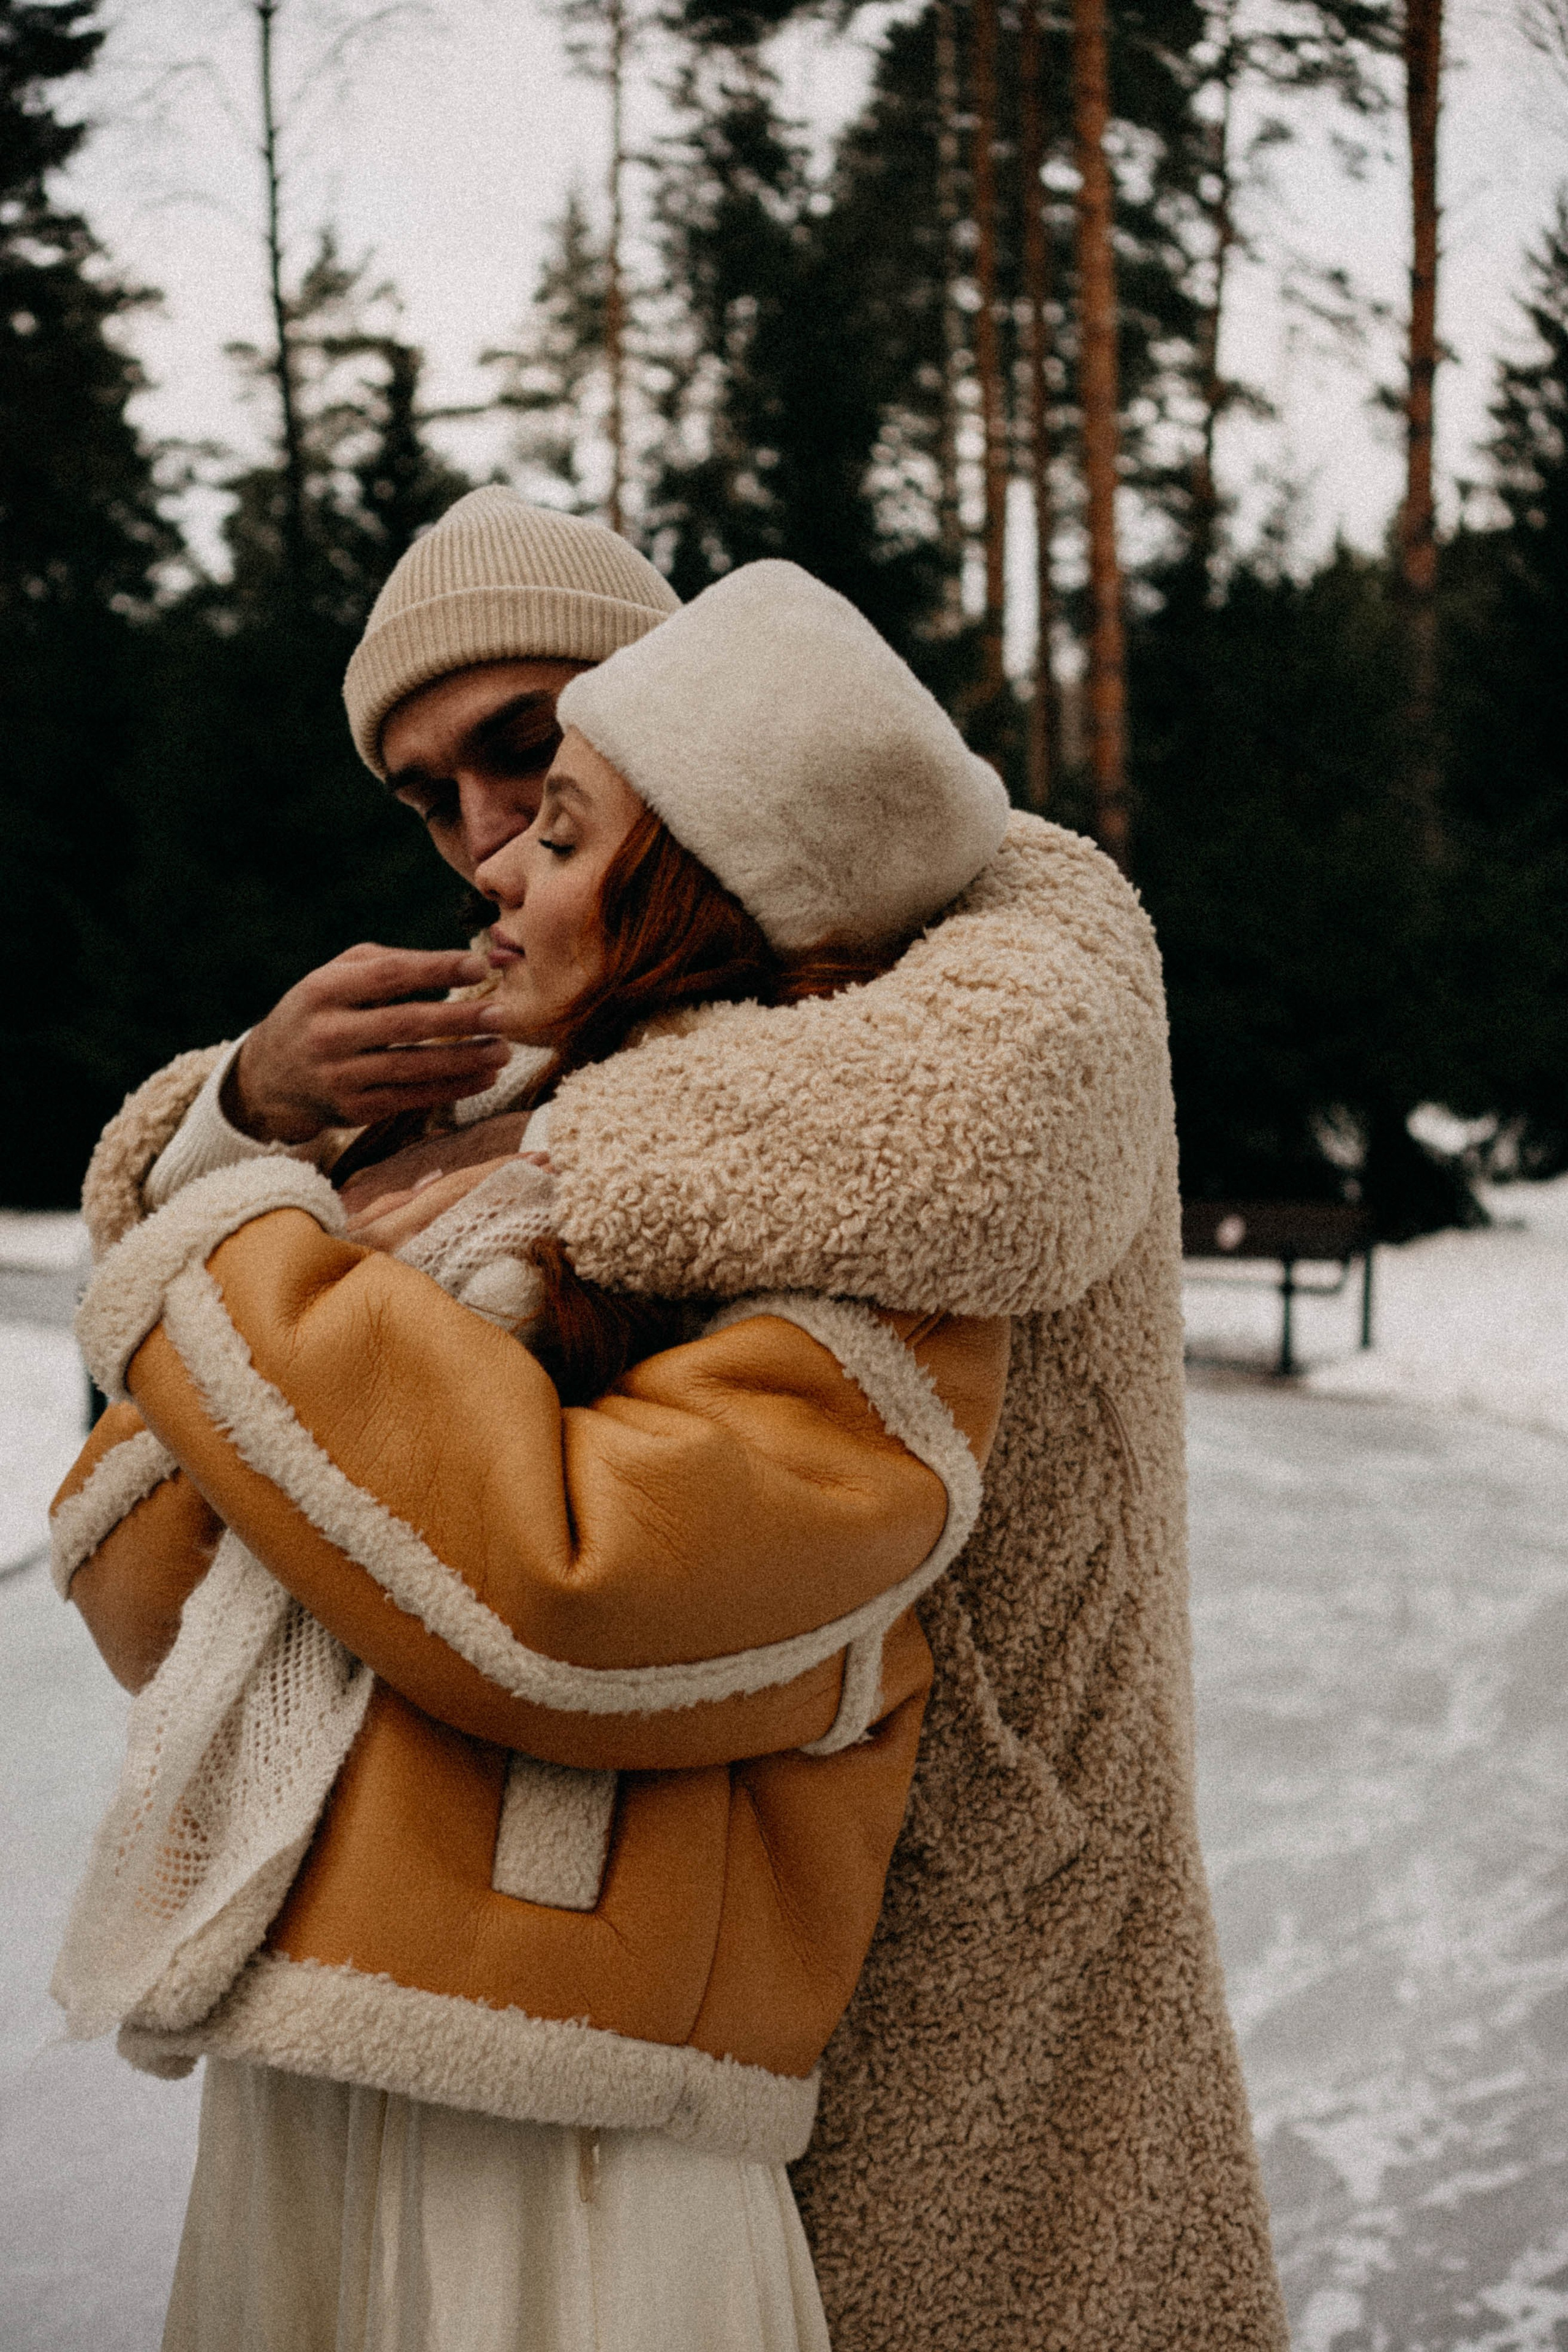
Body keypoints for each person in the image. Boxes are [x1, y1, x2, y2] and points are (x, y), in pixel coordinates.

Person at [56, 494, 1289, 2348]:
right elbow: (221, 1373)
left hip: (968, 1904)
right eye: (425, 798)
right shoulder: (595, 982)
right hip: (621, 1925)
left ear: (683, 696)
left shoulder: (1004, 896)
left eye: (525, 757)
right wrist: (246, 1104)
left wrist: (500, 1168)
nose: (475, 839)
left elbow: (988, 1141)